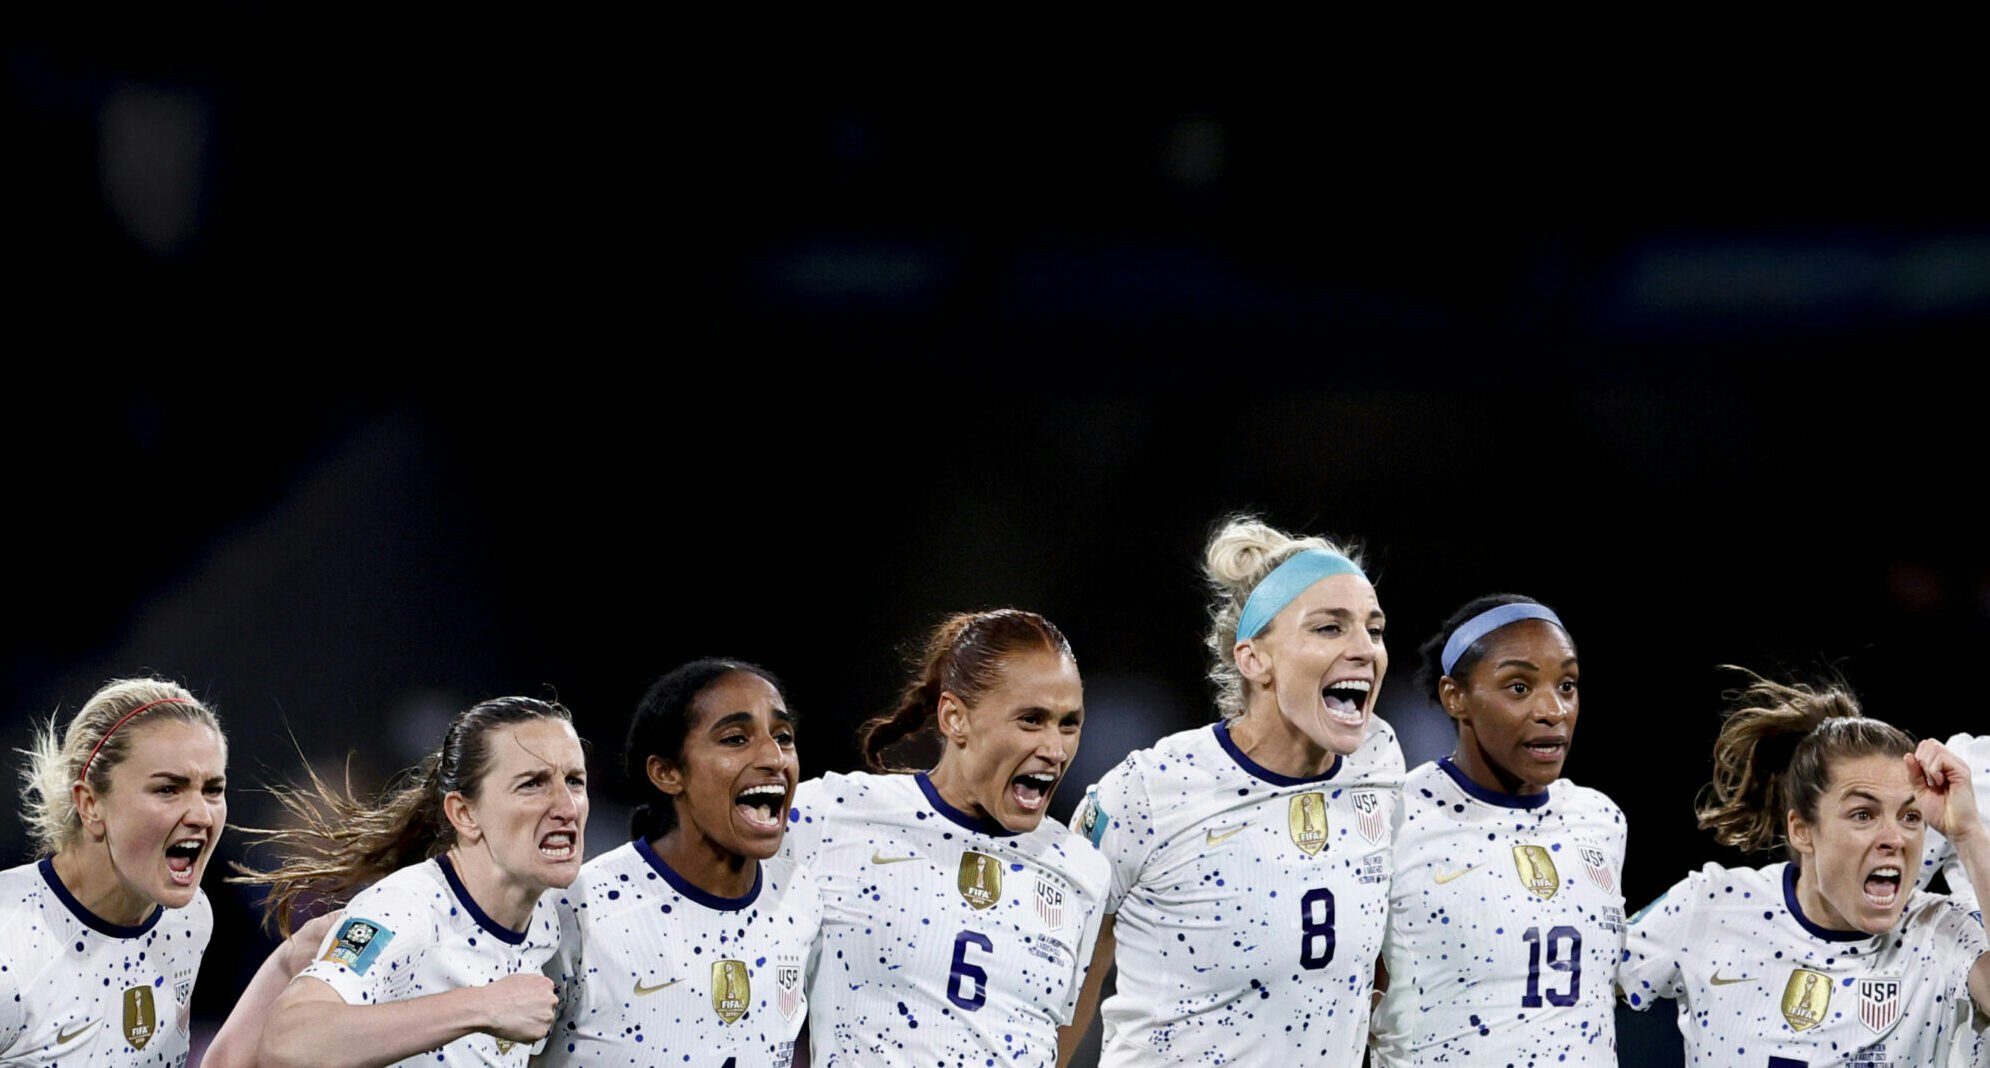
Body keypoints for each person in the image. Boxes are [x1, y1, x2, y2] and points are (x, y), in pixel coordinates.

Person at [1063, 516, 1405, 1067]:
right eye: (1329, 628)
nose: (1365, 648)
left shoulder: (1379, 764)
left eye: (1375, 629)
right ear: (1253, 659)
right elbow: (1056, 975)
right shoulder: (1150, 791)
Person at [778, 608, 1110, 1067]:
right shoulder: (832, 816)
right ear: (955, 718)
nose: (1055, 750)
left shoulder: (1082, 871)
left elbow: (1057, 1037)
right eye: (1031, 720)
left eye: (1069, 723)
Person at [1619, 670, 1990, 1064]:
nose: (1894, 838)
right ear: (1801, 830)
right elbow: (1586, 981)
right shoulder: (1711, 907)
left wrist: (1968, 834)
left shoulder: (1941, 932)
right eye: (1863, 815)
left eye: (1910, 817)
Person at [222, 695, 589, 1068]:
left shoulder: (549, 921)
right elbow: (291, 1040)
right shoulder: (406, 909)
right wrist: (483, 1005)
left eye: (575, 781)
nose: (567, 806)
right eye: (532, 784)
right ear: (464, 813)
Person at [1370, 594, 1625, 1066]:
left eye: (1567, 685)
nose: (1553, 710)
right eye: (1519, 687)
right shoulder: (1395, 819)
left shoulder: (1600, 820)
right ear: (1455, 696)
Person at [538, 658, 819, 1067]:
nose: (774, 757)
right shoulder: (578, 910)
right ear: (667, 773)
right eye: (736, 739)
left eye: (783, 737)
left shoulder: (802, 898)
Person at [1, 678, 256, 1066]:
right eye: (167, 789)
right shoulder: (10, 943)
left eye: (212, 790)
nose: (203, 815)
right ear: (90, 804)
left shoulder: (188, 921)